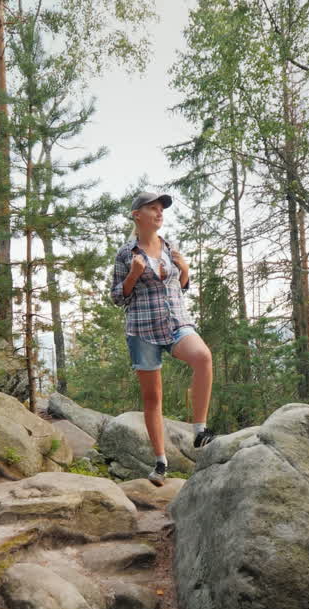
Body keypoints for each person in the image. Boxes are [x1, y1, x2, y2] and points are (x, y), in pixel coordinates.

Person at [110, 191, 215, 486]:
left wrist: (185, 271)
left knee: (203, 357)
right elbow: (117, 297)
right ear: (137, 215)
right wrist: (133, 275)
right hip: (142, 329)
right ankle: (160, 463)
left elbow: (179, 288)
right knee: (153, 398)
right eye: (153, 209)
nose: (159, 213)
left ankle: (199, 430)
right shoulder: (125, 254)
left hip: (176, 323)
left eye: (161, 209)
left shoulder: (170, 247)